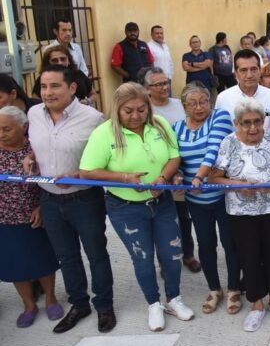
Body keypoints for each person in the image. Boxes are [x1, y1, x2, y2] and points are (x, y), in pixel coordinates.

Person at [79, 83, 194, 332]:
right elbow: (87, 171)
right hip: (125, 207)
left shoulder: (160, 124)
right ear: (117, 109)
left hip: (162, 202)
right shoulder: (104, 133)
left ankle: (173, 299)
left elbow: (174, 156)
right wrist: (125, 178)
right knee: (142, 259)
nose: (135, 116)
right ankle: (153, 304)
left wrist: (163, 179)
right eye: (128, 111)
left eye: (141, 109)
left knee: (173, 255)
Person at [28, 65, 116, 333]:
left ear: (72, 88)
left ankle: (104, 306)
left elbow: (109, 158)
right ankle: (79, 304)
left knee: (96, 255)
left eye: (55, 86)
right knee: (66, 257)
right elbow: (33, 145)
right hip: (50, 201)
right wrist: (30, 158)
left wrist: (78, 174)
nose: (48, 92)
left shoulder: (94, 118)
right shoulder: (33, 114)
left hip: (84, 200)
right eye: (44, 86)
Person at [209, 100, 270, 332]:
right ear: (236, 123)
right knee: (249, 256)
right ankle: (256, 304)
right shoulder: (228, 143)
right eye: (246, 123)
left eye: (257, 121)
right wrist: (237, 185)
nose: (252, 128)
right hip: (241, 212)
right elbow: (214, 177)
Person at [173, 82, 240, 315]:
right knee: (206, 244)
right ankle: (214, 289)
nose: (199, 107)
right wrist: (179, 177)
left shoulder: (220, 117)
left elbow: (213, 151)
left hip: (222, 196)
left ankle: (233, 289)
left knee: (230, 243)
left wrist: (198, 177)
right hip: (196, 199)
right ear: (184, 107)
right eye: (192, 103)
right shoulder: (176, 128)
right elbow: (176, 160)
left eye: (203, 102)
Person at [0, 105, 63, 328]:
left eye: (7, 129)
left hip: (34, 215)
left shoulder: (34, 149)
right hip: (4, 218)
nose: (1, 133)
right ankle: (28, 305)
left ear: (23, 127)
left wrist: (42, 207)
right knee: (14, 264)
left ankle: (50, 298)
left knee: (42, 260)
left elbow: (49, 179)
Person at [142, 67, 201, 274]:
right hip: (156, 172)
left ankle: (188, 254)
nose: (164, 87)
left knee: (184, 218)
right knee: (162, 222)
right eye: (158, 84)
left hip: (181, 169)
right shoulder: (144, 109)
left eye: (166, 82)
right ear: (147, 89)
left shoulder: (179, 105)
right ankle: (165, 262)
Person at [215, 49, 270, 128]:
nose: (249, 75)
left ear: (260, 71)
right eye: (243, 70)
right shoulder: (223, 98)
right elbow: (220, 128)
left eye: (253, 69)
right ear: (236, 73)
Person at [147, 26, 174, 91]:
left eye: (161, 33)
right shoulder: (149, 46)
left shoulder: (165, 46)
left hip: (167, 80)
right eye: (157, 33)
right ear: (152, 35)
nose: (159, 35)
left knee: (168, 100)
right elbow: (149, 65)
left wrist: (170, 76)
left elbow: (170, 62)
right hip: (156, 82)